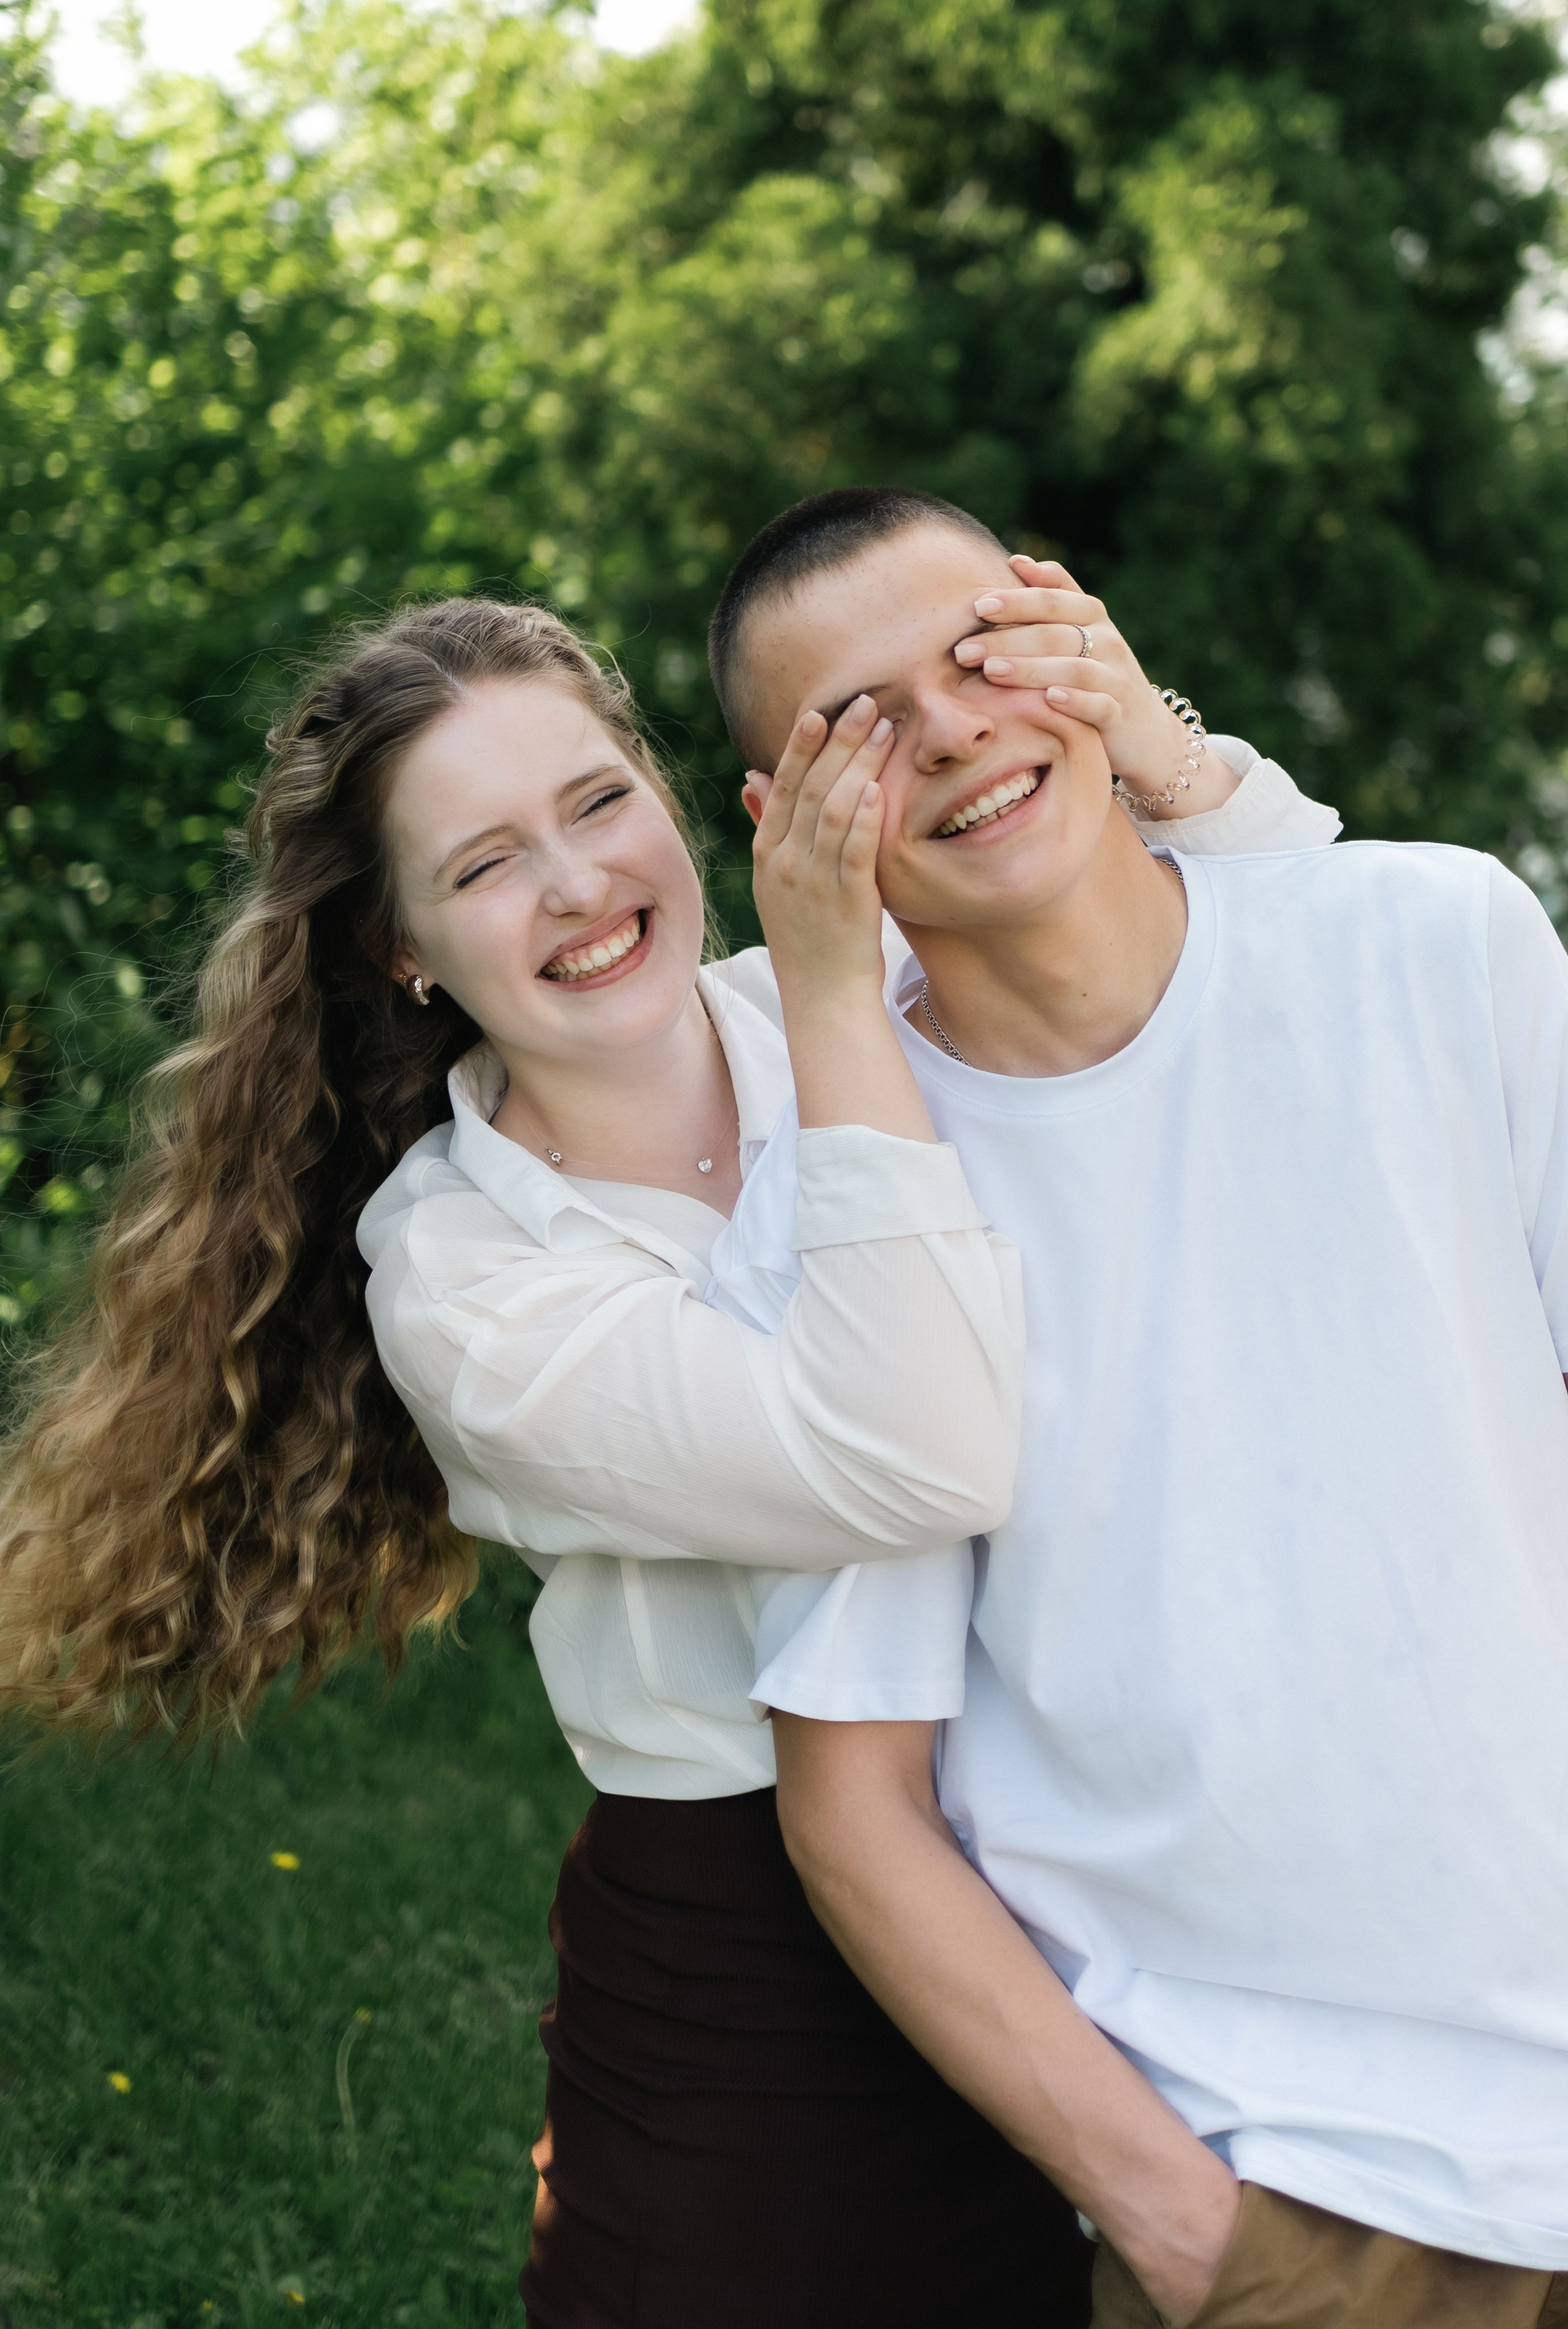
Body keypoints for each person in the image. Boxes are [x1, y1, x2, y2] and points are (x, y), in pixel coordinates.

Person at [0, 583, 1334, 2328]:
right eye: (481, 866)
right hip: (765, 1955)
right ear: (404, 948)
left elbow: (1294, 992)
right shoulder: (466, 1276)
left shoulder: (863, 983)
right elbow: (911, 1455)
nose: (574, 887)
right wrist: (851, 1003)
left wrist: (1155, 749)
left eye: (599, 802)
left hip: (1120, 1838)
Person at [696, 487, 1568, 2327]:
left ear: (1077, 638)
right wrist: (1189, 2231)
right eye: (859, 725)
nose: (950, 733)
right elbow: (856, 1810)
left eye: (979, 654)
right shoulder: (841, 1220)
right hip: (1313, 2183)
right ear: (787, 826)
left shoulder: (1438, 939)